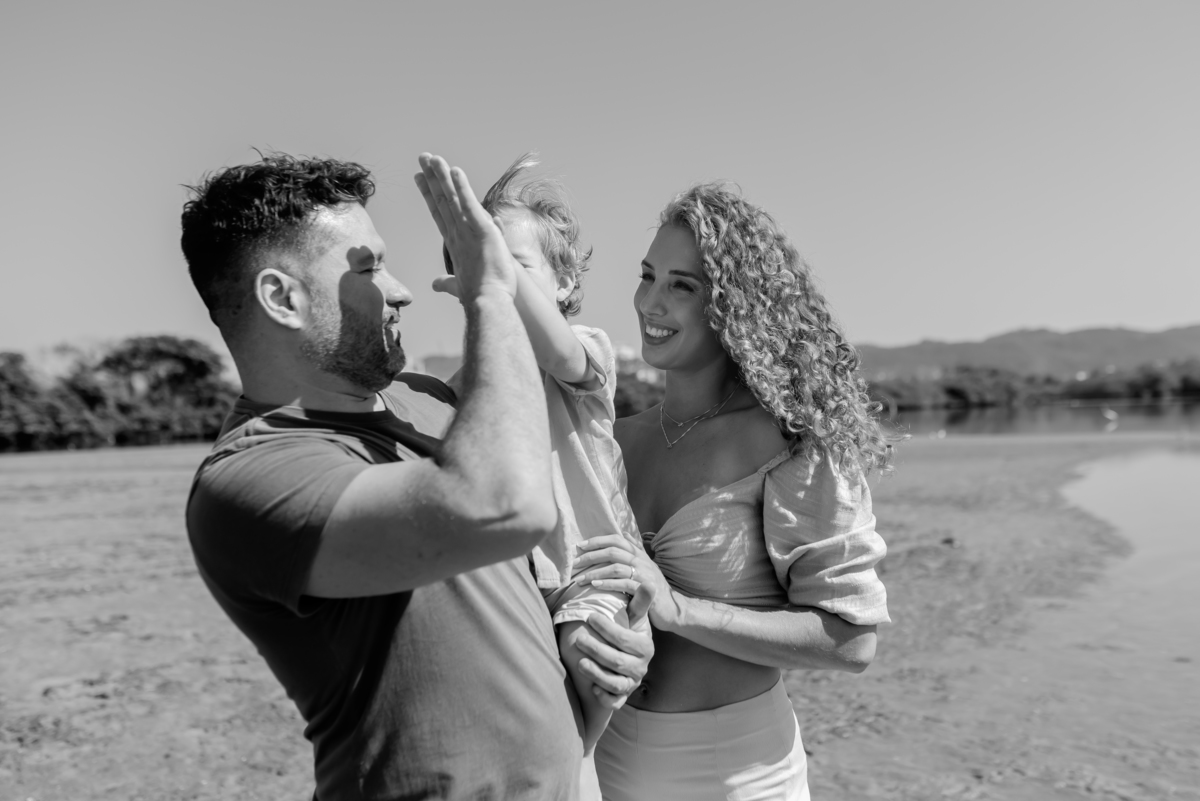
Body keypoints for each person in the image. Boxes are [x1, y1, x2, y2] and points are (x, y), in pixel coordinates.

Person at [180, 152, 654, 801]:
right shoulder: (251, 478)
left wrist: (614, 644)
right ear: (281, 298)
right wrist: (492, 290)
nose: (404, 288)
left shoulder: (438, 397)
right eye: (371, 267)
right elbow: (506, 505)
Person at [582, 183, 893, 800]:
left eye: (683, 286)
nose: (651, 302)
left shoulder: (793, 442)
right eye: (648, 276)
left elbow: (851, 641)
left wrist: (678, 609)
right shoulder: (610, 438)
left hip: (735, 773)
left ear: (733, 306)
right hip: (605, 762)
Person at [436, 154, 644, 755]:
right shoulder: (460, 384)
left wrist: (494, 278)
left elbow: (553, 349)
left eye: (515, 266)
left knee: (592, 659)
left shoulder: (583, 355)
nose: (496, 281)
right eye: (480, 267)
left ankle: (583, 760)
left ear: (566, 283)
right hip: (514, 580)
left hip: (591, 569)